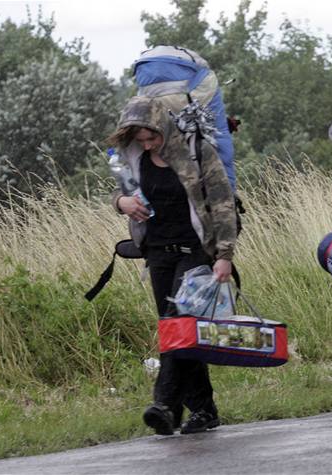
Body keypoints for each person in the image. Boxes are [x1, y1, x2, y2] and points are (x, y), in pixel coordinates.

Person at [108, 96, 238, 434]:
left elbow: (223, 201)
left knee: (176, 324)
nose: (149, 145)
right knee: (180, 330)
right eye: (142, 140)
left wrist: (224, 256)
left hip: (195, 250)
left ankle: (165, 403)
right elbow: (122, 193)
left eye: (153, 137)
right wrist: (122, 203)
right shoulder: (134, 157)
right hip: (158, 253)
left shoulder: (196, 150)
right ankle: (203, 410)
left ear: (163, 126)